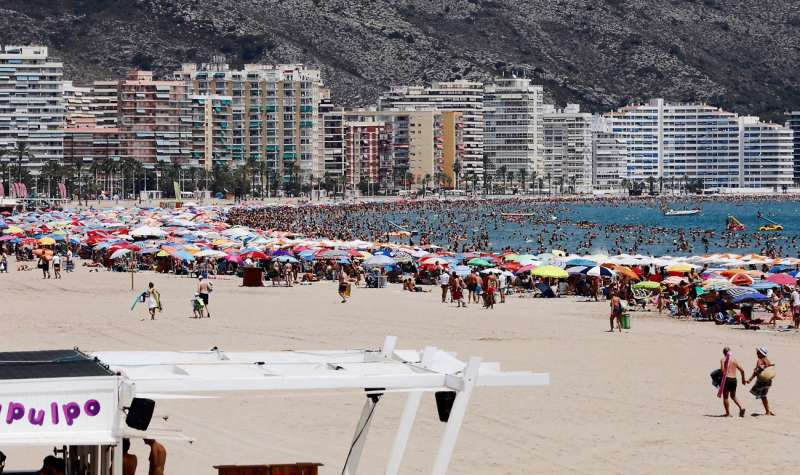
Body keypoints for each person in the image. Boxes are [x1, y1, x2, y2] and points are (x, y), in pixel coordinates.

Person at [744, 347, 775, 416]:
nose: (757, 353)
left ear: (761, 353)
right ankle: (768, 411)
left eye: (758, 352)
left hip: (762, 381)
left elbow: (757, 371)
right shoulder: (767, 360)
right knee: (763, 395)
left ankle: (768, 411)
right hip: (769, 381)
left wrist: (750, 379)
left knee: (761, 395)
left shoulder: (760, 360)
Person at [718, 347, 746, 417]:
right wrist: (743, 379)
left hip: (727, 379)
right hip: (734, 380)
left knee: (725, 397)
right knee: (733, 396)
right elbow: (742, 371)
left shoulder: (722, 359)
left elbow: (722, 370)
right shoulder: (734, 360)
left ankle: (728, 413)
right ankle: (741, 407)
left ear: (723, 353)